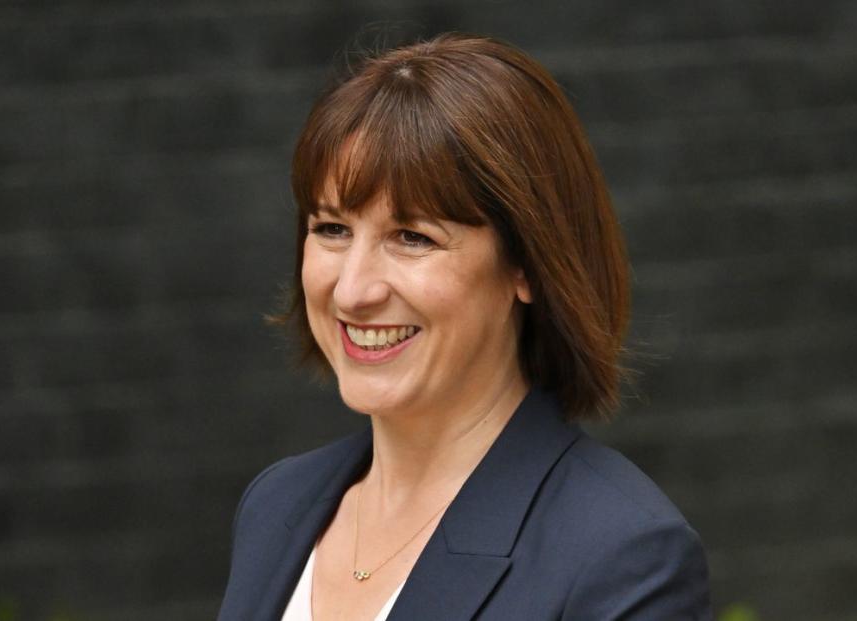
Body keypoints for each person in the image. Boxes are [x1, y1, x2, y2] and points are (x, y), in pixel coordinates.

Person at [219, 32, 710, 620]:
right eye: (331, 229)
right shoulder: (278, 505)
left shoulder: (619, 555)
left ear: (527, 263)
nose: (352, 290)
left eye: (412, 237)